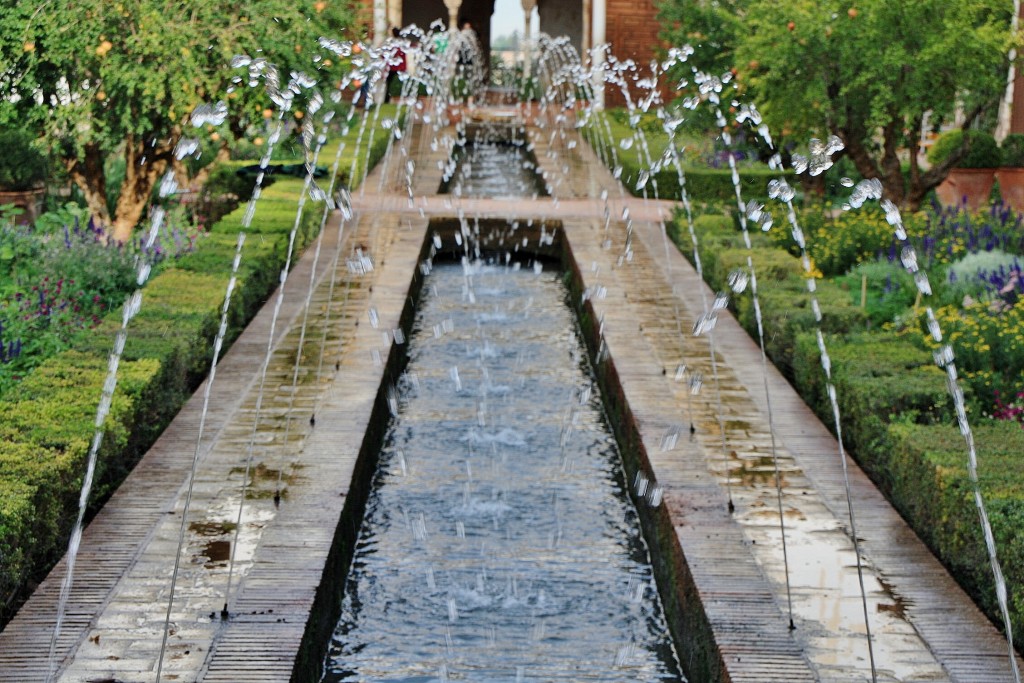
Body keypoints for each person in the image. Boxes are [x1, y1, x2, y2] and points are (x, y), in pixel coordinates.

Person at [384, 27, 406, 104]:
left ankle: (387, 99)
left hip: (392, 68)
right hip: (400, 68)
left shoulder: (391, 42)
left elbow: (386, 54)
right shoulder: (402, 42)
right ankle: (401, 99)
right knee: (401, 84)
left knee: (389, 84)